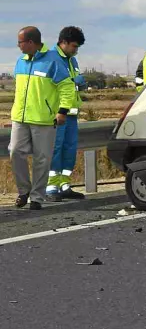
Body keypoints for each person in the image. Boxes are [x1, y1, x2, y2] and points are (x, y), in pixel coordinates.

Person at [10, 27, 75, 210]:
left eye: (20, 42)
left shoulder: (52, 60)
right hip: (20, 118)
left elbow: (67, 87)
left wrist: (62, 111)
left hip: (44, 120)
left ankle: (37, 197)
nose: (18, 46)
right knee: (15, 152)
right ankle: (24, 191)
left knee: (42, 159)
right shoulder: (20, 61)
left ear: (30, 42)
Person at [46, 26, 88, 201]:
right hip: (57, 114)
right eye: (74, 46)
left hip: (71, 114)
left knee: (69, 149)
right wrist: (73, 81)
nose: (76, 50)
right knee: (55, 149)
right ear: (63, 42)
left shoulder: (72, 61)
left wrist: (79, 84)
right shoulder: (51, 59)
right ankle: (50, 187)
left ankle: (64, 185)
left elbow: (70, 87)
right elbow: (49, 85)